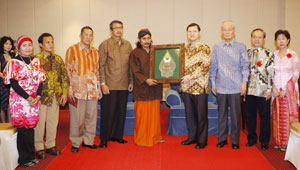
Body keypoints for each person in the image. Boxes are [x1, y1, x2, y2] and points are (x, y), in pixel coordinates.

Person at [3, 35, 46, 167]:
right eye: (24, 45)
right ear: (18, 47)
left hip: (34, 99)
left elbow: (40, 81)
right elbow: (14, 84)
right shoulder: (14, 62)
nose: (28, 48)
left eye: (30, 45)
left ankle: (31, 156)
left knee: (31, 128)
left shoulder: (36, 61)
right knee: (22, 130)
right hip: (20, 100)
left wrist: (38, 97)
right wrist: (29, 98)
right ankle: (24, 159)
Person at [209, 21, 249, 150]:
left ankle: (235, 140)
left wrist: (244, 83)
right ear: (221, 32)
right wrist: (213, 84)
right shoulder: (217, 47)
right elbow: (213, 67)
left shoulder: (241, 46)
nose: (227, 32)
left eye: (229, 29)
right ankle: (222, 139)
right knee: (221, 115)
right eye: (224, 29)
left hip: (236, 87)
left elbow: (245, 66)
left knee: (236, 116)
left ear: (234, 31)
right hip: (220, 86)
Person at [65, 26, 102, 153]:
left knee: (91, 117)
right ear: (81, 36)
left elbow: (97, 72)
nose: (88, 37)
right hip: (77, 89)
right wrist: (69, 88)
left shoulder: (96, 52)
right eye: (86, 35)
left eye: (91, 35)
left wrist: (98, 88)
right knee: (77, 118)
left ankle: (88, 141)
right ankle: (75, 141)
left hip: (92, 90)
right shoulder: (72, 50)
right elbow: (67, 70)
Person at [34, 33, 70, 159]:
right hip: (41, 97)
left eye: (52, 42)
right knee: (39, 123)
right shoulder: (36, 60)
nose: (51, 44)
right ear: (40, 44)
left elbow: (65, 77)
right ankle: (38, 147)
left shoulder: (58, 59)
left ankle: (50, 145)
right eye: (47, 42)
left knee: (52, 122)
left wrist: (65, 92)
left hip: (55, 95)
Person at [98, 20, 133, 148]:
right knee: (108, 113)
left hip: (124, 85)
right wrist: (103, 83)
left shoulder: (128, 45)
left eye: (120, 28)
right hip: (109, 86)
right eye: (115, 28)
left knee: (121, 113)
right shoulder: (105, 45)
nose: (118, 30)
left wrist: (131, 81)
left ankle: (117, 136)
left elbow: (130, 66)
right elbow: (101, 66)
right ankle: (104, 139)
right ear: (111, 30)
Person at [129, 29, 164, 147]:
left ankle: (156, 137)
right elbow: (135, 71)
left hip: (155, 88)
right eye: (144, 39)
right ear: (139, 39)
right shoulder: (135, 53)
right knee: (142, 116)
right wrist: (146, 80)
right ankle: (141, 139)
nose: (147, 41)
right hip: (142, 89)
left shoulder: (157, 51)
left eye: (148, 38)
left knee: (154, 115)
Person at [180, 23, 211, 149]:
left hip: (199, 86)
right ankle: (192, 137)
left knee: (201, 115)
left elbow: (204, 67)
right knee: (190, 114)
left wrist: (190, 76)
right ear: (187, 33)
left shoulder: (205, 48)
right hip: (186, 87)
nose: (192, 33)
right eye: (189, 31)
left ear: (199, 33)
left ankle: (202, 140)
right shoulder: (183, 48)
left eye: (194, 31)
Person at [245, 28, 274, 150]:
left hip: (263, 91)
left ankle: (264, 141)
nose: (257, 39)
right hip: (250, 90)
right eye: (254, 37)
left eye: (259, 37)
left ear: (263, 39)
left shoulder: (269, 54)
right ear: (251, 39)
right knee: (250, 116)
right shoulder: (246, 53)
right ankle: (251, 139)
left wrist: (269, 89)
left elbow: (271, 73)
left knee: (264, 117)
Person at [272, 30, 299, 152]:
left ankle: (288, 142)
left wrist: (286, 89)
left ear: (288, 40)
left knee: (288, 116)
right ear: (275, 41)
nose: (281, 41)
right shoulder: (273, 55)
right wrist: (274, 87)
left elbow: (296, 73)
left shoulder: (293, 54)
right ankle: (278, 141)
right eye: (278, 39)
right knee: (277, 115)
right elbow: (270, 73)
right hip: (276, 89)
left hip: (289, 90)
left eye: (283, 38)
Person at [0, 36, 15, 122]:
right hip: (2, 84)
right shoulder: (0, 55)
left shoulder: (12, 55)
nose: (9, 46)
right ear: (2, 44)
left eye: (10, 44)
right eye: (6, 44)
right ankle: (3, 124)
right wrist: (6, 77)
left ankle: (10, 123)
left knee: (11, 103)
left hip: (12, 83)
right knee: (3, 104)